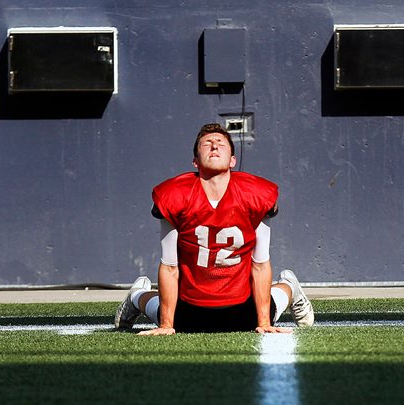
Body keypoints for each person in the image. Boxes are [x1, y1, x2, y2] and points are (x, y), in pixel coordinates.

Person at [115, 123, 314, 335]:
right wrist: (166, 324)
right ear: (195, 161)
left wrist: (264, 322)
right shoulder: (176, 195)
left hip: (240, 299)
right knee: (178, 325)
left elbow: (260, 263)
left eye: (220, 143)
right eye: (207, 144)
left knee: (253, 321)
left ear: (232, 160)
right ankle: (137, 296)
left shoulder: (254, 194)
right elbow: (170, 267)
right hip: (192, 299)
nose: (214, 146)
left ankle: (290, 287)